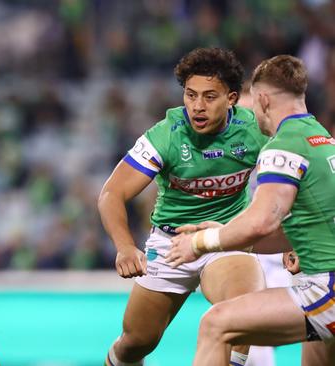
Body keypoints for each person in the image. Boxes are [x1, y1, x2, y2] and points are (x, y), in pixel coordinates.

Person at [98, 47, 268, 366]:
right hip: (170, 244)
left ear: (232, 98)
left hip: (224, 238)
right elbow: (111, 194)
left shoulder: (256, 130)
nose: (197, 107)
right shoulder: (166, 135)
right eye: (190, 95)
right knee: (136, 343)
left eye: (209, 97)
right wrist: (124, 247)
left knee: (242, 313)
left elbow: (296, 182)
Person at [166, 54, 335, 366]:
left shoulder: (283, 145)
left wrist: (199, 244)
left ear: (263, 100)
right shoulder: (322, 139)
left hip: (325, 291)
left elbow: (262, 221)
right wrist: (222, 232)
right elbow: (295, 229)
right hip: (322, 283)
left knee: (216, 324)